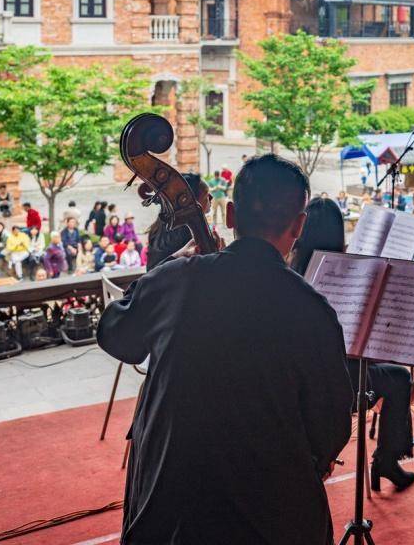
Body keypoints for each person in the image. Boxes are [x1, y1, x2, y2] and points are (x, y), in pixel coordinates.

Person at [97, 154, 352, 545]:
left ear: (230, 215)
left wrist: (170, 269)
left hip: (169, 517)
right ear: (299, 226)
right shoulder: (313, 310)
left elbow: (115, 335)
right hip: (273, 520)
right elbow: (331, 429)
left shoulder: (176, 280)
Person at [289, 197, 414, 492]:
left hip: (305, 380)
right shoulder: (345, 274)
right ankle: (386, 460)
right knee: (400, 378)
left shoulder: (292, 270)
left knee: (391, 376)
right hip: (337, 382)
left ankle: (385, 460)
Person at [144, 173, 215, 270]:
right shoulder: (188, 230)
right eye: (206, 194)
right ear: (186, 201)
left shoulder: (160, 226)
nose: (211, 197)